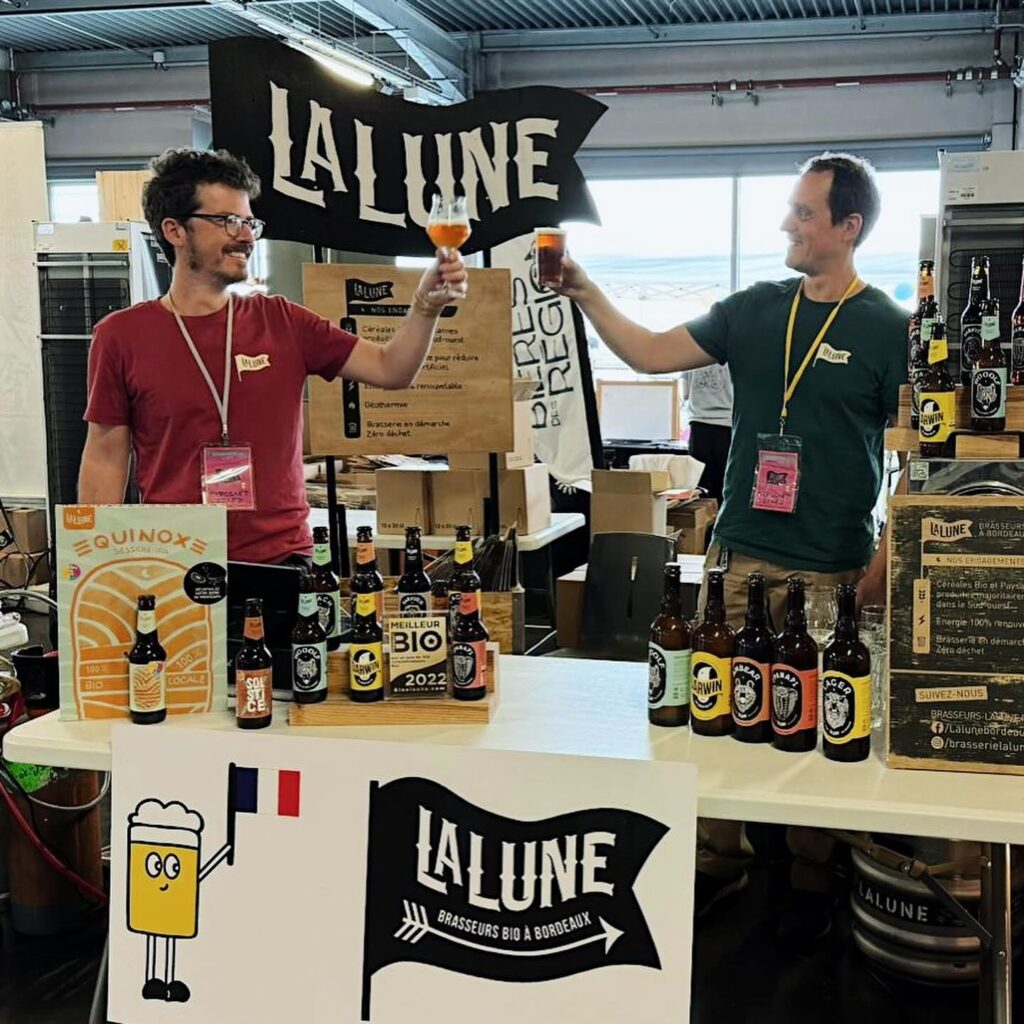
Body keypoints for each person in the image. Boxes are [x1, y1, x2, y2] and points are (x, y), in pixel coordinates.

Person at [554, 152, 907, 935]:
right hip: (741, 549)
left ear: (848, 228)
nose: (787, 222)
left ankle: (815, 867)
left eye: (804, 213)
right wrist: (586, 291)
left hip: (832, 562)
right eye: (790, 209)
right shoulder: (754, 309)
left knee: (817, 718)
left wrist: (880, 567)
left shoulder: (889, 329)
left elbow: (918, 459)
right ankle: (720, 856)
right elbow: (647, 352)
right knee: (717, 709)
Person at [79, 148, 466, 565]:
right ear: (175, 230)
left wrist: (425, 307)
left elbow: (392, 369)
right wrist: (100, 569)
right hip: (173, 562)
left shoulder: (282, 321)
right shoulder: (122, 335)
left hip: (282, 559)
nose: (245, 236)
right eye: (227, 221)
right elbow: (105, 455)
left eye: (248, 222)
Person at [682, 363, 733, 504]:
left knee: (701, 483)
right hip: (727, 423)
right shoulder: (730, 352)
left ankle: (705, 523)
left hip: (699, 422)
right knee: (726, 481)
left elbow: (685, 394)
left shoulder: (690, 356)